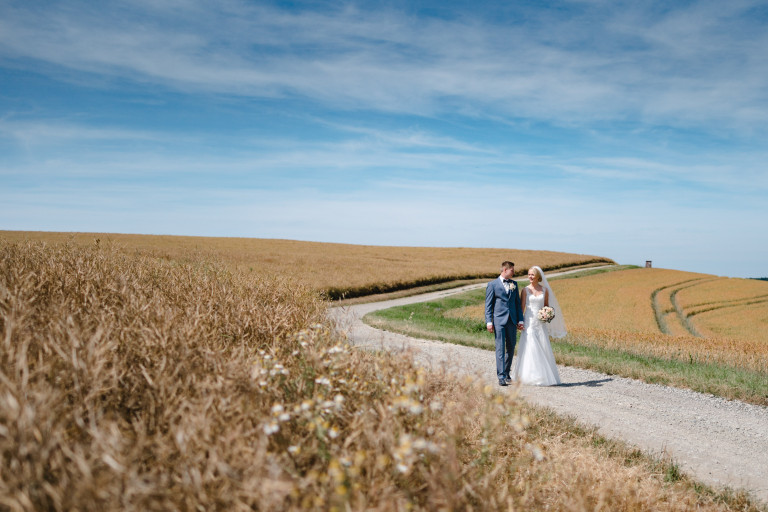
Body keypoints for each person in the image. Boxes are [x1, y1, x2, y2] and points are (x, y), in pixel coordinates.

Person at [510, 266, 566, 386]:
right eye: (529, 274)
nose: (530, 277)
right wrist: (520, 322)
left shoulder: (545, 290)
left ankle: (542, 375)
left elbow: (546, 306)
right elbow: (522, 307)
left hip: (540, 323)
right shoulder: (525, 290)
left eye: (532, 275)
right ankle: (528, 375)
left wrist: (547, 315)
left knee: (541, 345)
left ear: (538, 277)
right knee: (530, 344)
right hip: (529, 321)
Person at [485, 261, 524, 387]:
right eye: (512, 270)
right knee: (500, 348)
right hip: (499, 321)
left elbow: (517, 303)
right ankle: (501, 376)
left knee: (511, 347)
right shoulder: (492, 285)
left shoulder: (514, 284)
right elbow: (488, 305)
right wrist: (489, 322)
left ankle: (507, 373)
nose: (514, 272)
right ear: (505, 270)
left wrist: (520, 320)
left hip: (512, 321)